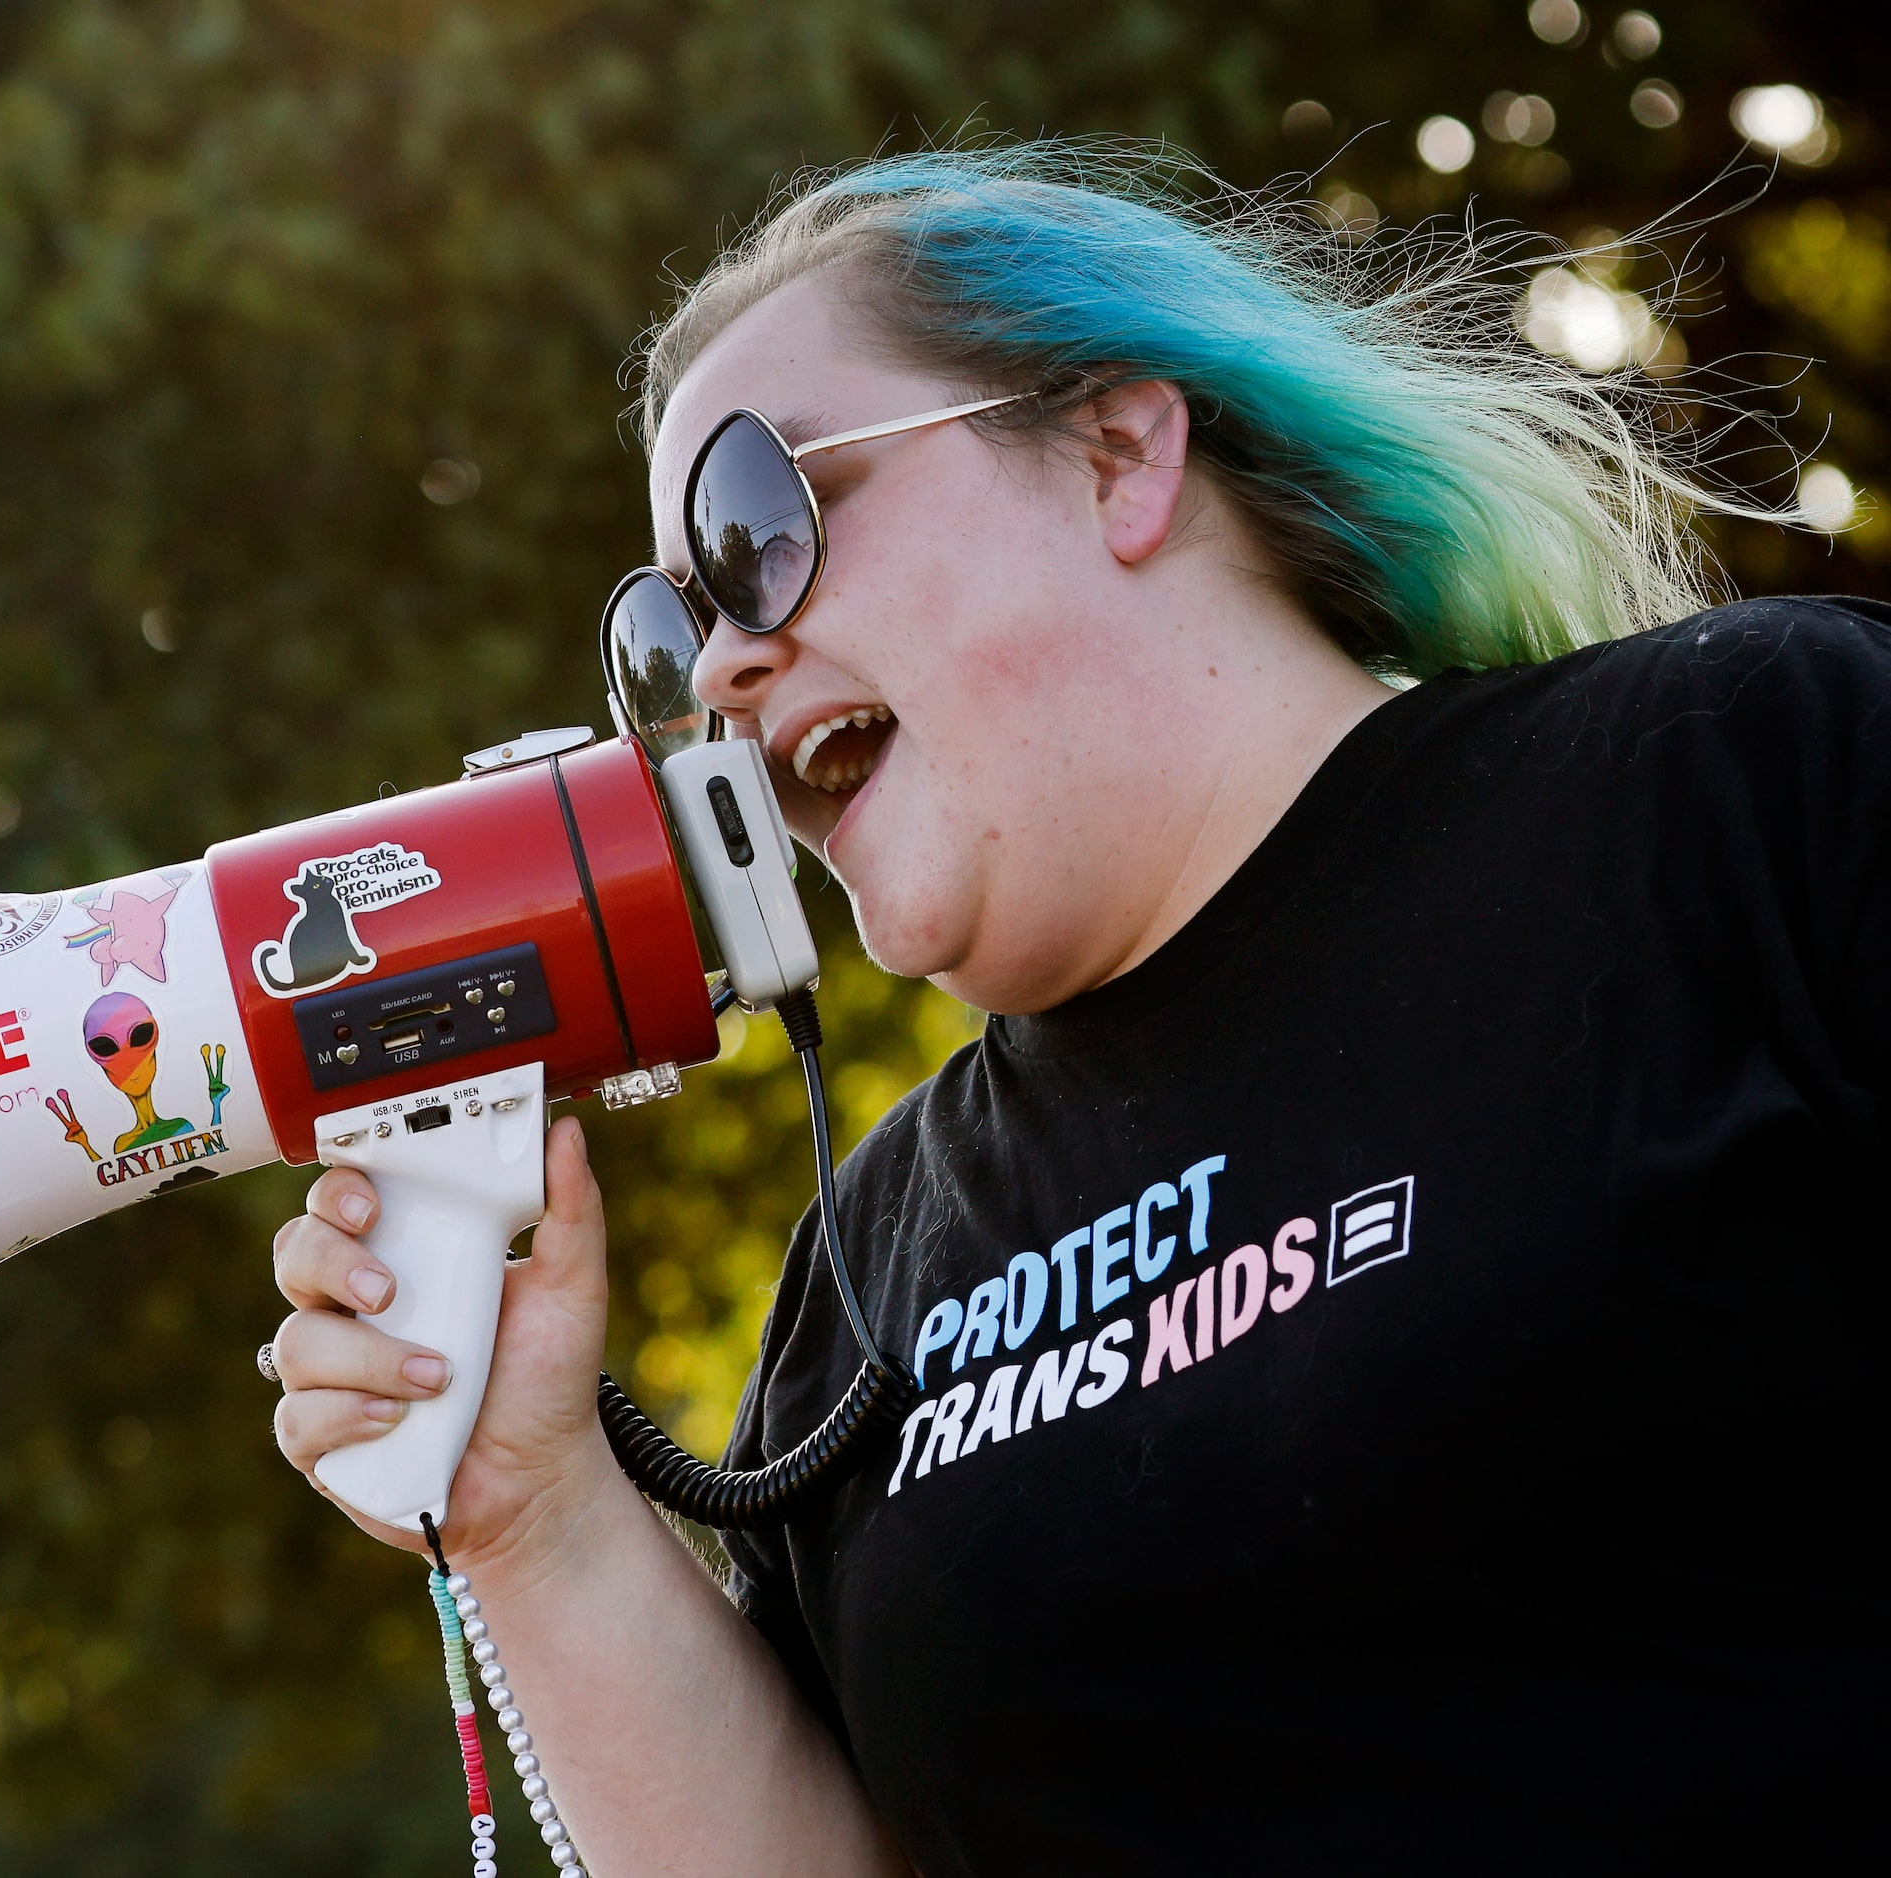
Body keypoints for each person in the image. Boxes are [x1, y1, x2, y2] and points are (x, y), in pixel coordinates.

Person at [262, 147, 1888, 1874]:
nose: (720, 679)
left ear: (1119, 451)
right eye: (665, 642)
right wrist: (541, 1519)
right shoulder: (868, 1269)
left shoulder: (1736, 782)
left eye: (760, 528)